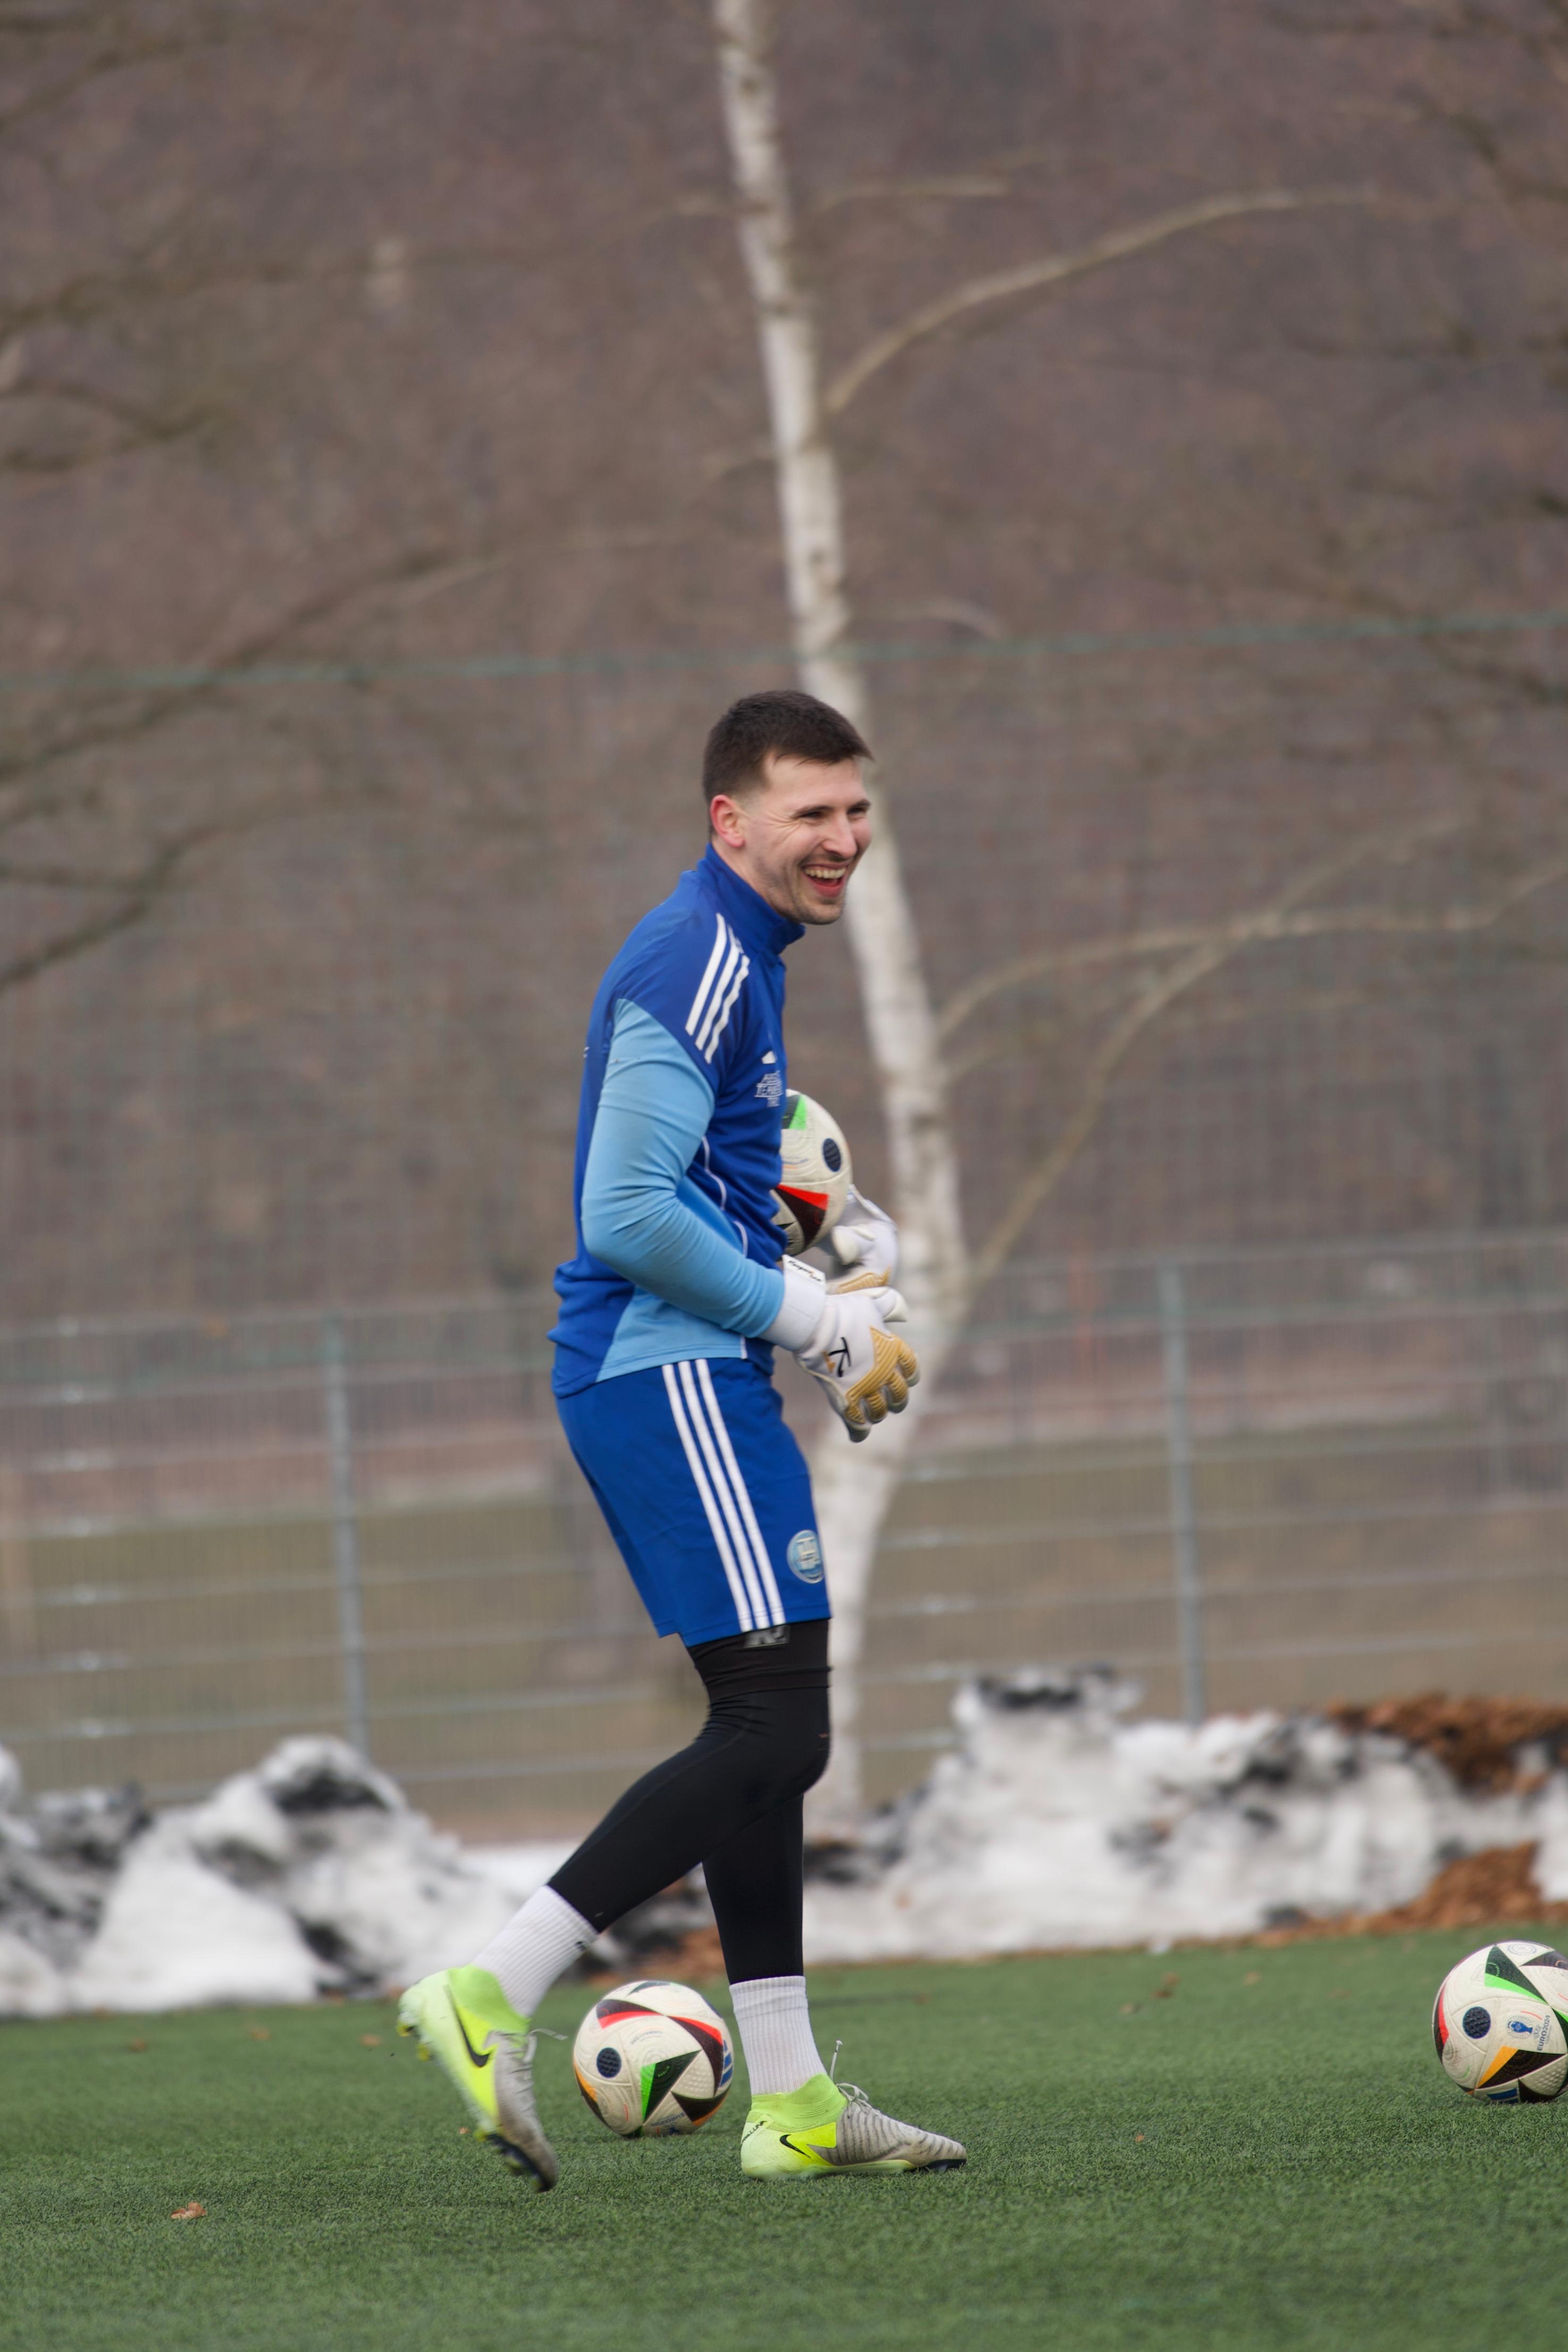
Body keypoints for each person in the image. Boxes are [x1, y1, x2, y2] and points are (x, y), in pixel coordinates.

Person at [398, 689, 965, 2186]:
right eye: (809, 812)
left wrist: (826, 1231)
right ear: (731, 820)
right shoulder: (696, 954)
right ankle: (490, 1990)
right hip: (666, 1375)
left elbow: (698, 1174)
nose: (842, 838)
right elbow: (625, 1213)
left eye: (855, 808)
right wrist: (812, 1314)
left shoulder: (739, 955)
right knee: (778, 1730)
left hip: (685, 1372)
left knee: (765, 1733)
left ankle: (793, 2102)